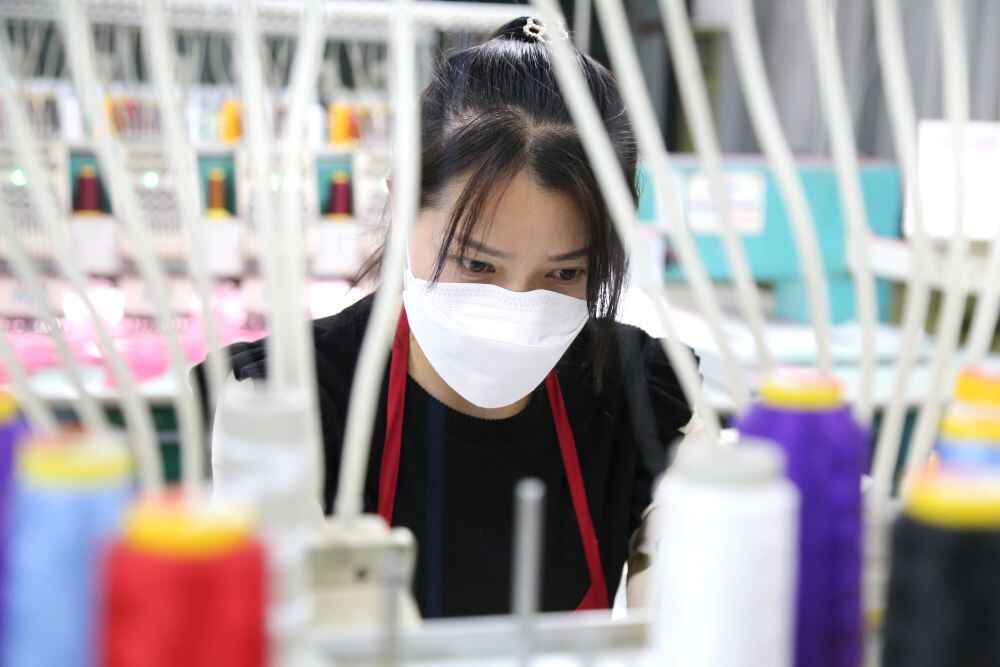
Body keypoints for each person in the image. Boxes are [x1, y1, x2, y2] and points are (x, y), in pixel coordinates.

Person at [204, 16, 696, 619]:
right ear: (403, 201)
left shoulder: (644, 396)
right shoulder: (279, 405)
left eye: (564, 273)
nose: (517, 308)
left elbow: (692, 612)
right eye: (478, 264)